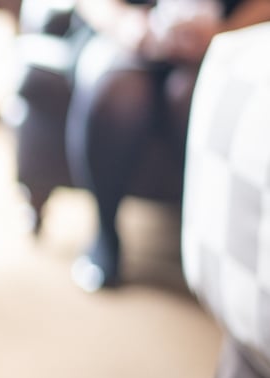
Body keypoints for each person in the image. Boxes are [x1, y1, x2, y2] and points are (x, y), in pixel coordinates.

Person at [66, 0, 270, 290]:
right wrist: (125, 24)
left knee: (198, 100)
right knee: (117, 95)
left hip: (220, 38)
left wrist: (225, 32)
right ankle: (105, 232)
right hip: (127, 32)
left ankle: (203, 244)